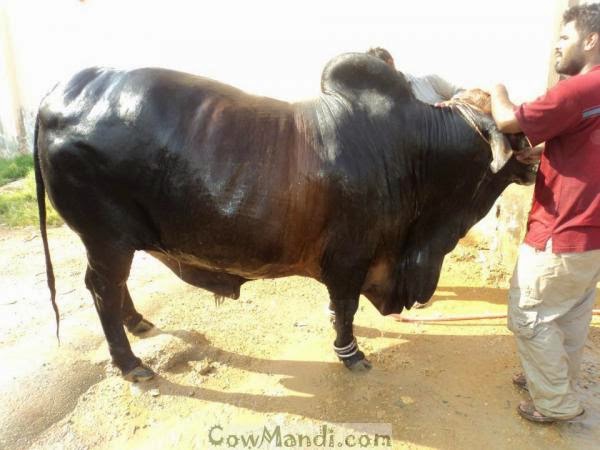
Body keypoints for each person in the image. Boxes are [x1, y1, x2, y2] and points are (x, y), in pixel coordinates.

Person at [490, 3, 600, 423]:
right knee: (570, 314)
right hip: (593, 239)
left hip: (562, 231)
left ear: (591, 41)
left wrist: (495, 89)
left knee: (530, 314)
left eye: (565, 39)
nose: (558, 48)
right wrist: (549, 149)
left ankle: (555, 403)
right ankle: (557, 379)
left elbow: (507, 119)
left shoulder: (576, 90)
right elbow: (583, 140)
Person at [366, 47, 463, 104]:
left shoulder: (430, 81)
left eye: (378, 72)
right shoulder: (386, 105)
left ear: (390, 63)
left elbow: (463, 92)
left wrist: (449, 105)